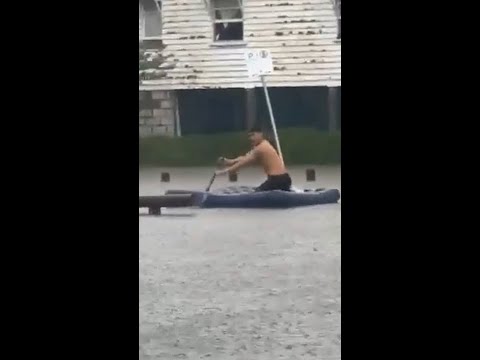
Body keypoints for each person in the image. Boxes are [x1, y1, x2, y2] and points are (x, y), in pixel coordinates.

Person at [215, 126, 292, 191]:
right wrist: (229, 162)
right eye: (249, 136)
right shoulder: (261, 145)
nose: (251, 138)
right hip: (283, 179)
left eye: (253, 135)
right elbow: (244, 158)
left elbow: (242, 163)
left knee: (257, 193)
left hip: (277, 180)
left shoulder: (261, 148)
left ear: (260, 134)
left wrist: (224, 172)